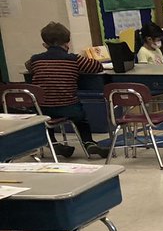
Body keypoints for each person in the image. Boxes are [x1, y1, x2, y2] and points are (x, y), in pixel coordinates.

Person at [25, 21, 106, 158]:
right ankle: (88, 142)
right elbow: (97, 66)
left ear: (45, 44)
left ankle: (52, 143)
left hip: (43, 109)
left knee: (44, 118)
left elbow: (28, 66)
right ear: (67, 43)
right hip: (69, 108)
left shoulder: (36, 60)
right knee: (81, 119)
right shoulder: (73, 59)